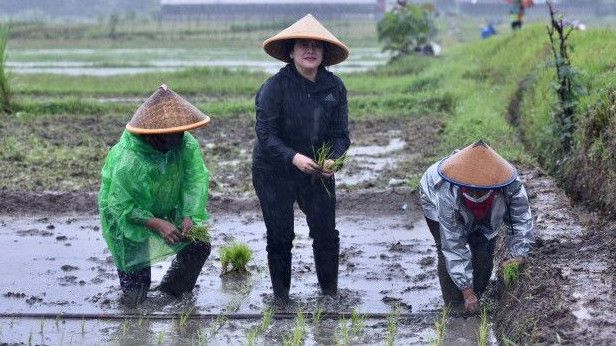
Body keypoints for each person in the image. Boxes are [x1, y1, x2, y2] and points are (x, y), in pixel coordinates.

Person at [252, 14, 351, 304]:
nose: (310, 51)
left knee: (325, 233)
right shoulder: (274, 88)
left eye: (316, 47)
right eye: (303, 46)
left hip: (318, 170)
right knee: (281, 235)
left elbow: (341, 135)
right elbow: (266, 136)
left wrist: (332, 160)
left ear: (324, 54)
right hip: (273, 169)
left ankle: (329, 294)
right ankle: (281, 299)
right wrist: (294, 158)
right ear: (292, 52)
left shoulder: (334, 88)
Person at [99, 84, 212, 306]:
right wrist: (156, 223)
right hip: (128, 220)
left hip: (167, 208)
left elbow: (195, 180)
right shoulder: (130, 159)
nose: (176, 140)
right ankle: (134, 301)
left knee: (198, 245)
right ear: (152, 135)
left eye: (179, 133)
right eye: (169, 136)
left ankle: (172, 291)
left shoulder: (185, 145)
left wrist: (189, 214)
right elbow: (121, 206)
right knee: (135, 295)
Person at [419, 140, 534, 313]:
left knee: (484, 248)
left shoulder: (509, 184)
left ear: (494, 187)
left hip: (488, 206)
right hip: (433, 199)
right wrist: (466, 290)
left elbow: (520, 220)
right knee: (444, 250)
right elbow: (453, 245)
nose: (475, 193)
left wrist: (519, 254)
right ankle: (453, 305)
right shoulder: (446, 193)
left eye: (480, 191)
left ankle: (477, 298)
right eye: (471, 191)